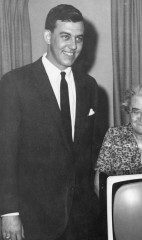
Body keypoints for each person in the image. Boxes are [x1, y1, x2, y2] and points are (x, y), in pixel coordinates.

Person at [0, 4, 102, 240]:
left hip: (82, 217)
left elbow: (91, 150)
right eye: (65, 37)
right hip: (33, 216)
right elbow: (5, 154)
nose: (73, 46)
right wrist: (9, 212)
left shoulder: (90, 86)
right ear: (48, 36)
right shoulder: (15, 83)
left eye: (79, 38)